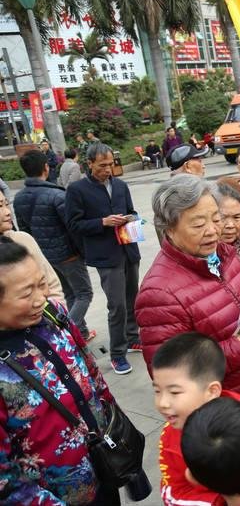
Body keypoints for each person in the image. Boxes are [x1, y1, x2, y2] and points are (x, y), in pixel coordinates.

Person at [0, 238, 123, 505]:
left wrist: (114, 426)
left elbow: (90, 370)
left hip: (102, 470)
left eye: (41, 284)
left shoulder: (52, 313)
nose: (40, 298)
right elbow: (5, 481)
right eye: (26, 293)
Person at [136, 174, 240, 389]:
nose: (213, 231)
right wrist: (239, 348)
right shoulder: (158, 294)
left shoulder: (225, 254)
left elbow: (239, 315)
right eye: (198, 225)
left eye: (216, 219)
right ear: (169, 229)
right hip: (229, 404)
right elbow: (170, 373)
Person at [152, 333, 240, 506]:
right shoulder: (170, 439)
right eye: (157, 391)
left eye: (174, 392)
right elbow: (174, 491)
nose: (162, 403)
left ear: (212, 390)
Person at [65, 142, 141, 375]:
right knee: (116, 305)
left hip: (128, 249)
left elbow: (132, 210)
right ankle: (117, 354)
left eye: (110, 164)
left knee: (132, 299)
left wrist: (131, 218)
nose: (108, 169)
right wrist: (102, 222)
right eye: (102, 165)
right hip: (106, 256)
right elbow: (73, 224)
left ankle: (132, 337)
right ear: (89, 164)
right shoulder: (77, 190)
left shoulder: (120, 185)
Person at [14, 150, 94, 340]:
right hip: (68, 255)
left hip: (44, 258)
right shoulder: (56, 195)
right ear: (46, 168)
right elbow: (72, 228)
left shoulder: (19, 198)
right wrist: (83, 251)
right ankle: (65, 333)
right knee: (84, 294)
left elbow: (24, 231)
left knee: (69, 293)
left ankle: (81, 332)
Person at [1, 191, 64, 305]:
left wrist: (55, 316)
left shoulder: (21, 240)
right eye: (0, 206)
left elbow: (52, 284)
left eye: (6, 204)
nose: (8, 212)